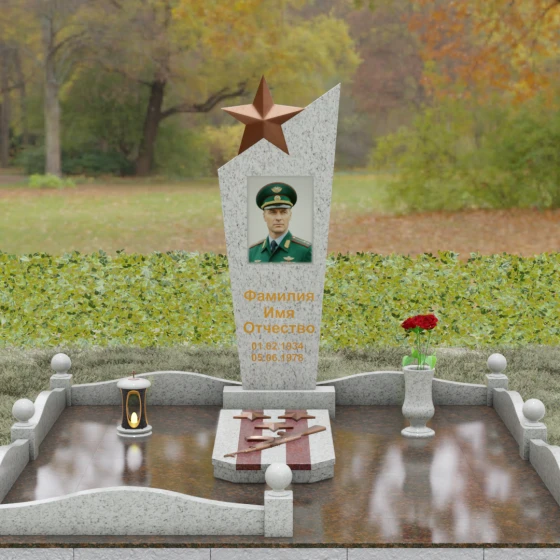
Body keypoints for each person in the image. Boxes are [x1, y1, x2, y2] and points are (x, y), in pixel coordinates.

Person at [249, 182, 312, 263]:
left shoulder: (305, 251)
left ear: (290, 215)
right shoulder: (252, 252)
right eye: (272, 212)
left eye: (283, 212)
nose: (278, 218)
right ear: (264, 216)